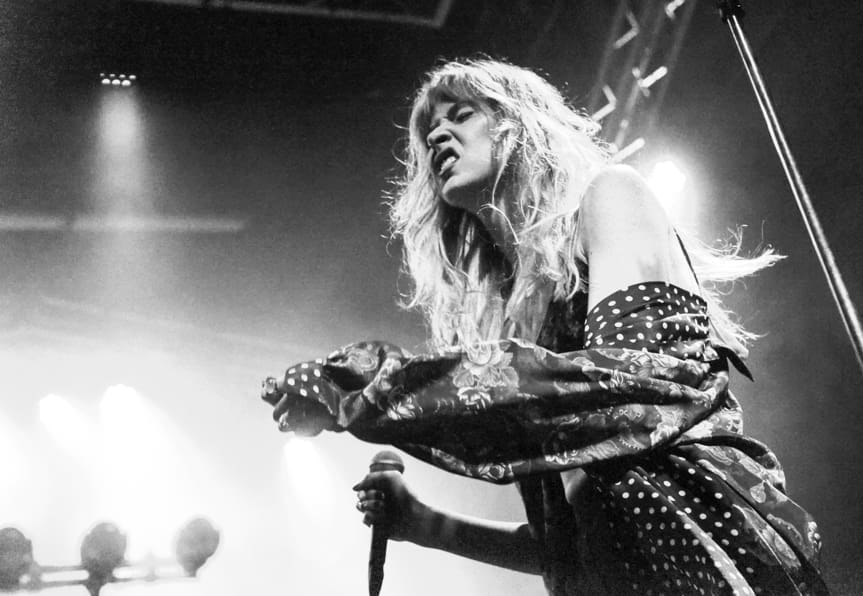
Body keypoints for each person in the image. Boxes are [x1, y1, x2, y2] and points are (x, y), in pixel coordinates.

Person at [264, 58, 829, 595]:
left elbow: (620, 392)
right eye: (429, 131)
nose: (437, 136)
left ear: (521, 125)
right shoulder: (523, 318)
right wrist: (422, 522)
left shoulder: (611, 196)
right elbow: (565, 544)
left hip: (705, 549)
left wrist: (368, 386)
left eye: (461, 115)